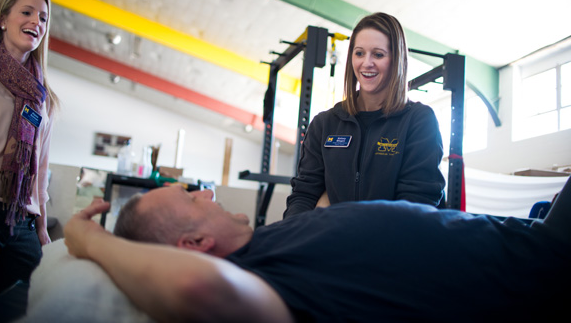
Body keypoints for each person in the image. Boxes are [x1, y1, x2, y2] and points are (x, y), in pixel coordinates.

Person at [64, 178, 571, 323]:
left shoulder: (267, 243)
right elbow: (195, 286)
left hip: (528, 234)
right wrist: (91, 240)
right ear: (194, 244)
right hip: (547, 267)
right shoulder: (257, 277)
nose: (208, 193)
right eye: (190, 197)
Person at [284, 12, 445, 217]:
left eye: (378, 54)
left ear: (396, 60)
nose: (366, 63)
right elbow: (304, 195)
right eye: (359, 53)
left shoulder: (418, 121)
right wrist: (290, 237)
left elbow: (416, 204)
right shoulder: (325, 124)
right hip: (330, 244)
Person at [0, 0, 58, 315]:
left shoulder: (43, 98)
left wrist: (41, 227)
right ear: (3, 19)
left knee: (35, 306)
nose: (37, 21)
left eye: (44, 18)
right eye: (27, 12)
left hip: (22, 219)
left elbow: (41, 167)